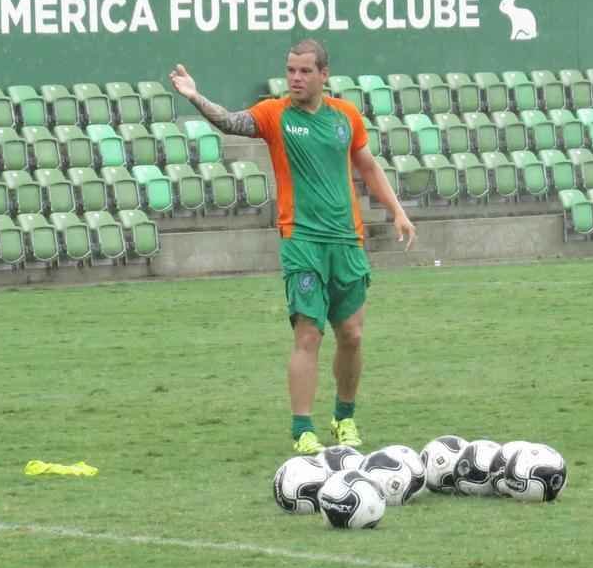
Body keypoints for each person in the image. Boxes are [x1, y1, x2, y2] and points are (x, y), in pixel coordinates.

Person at [168, 39, 416, 454]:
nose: (295, 78)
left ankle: (344, 418)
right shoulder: (274, 114)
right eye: (290, 71)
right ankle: (303, 429)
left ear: (323, 74)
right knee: (309, 333)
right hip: (300, 239)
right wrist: (195, 96)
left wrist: (398, 211)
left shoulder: (346, 117)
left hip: (346, 240)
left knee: (352, 335)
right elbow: (231, 122)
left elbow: (368, 166)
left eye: (304, 71)